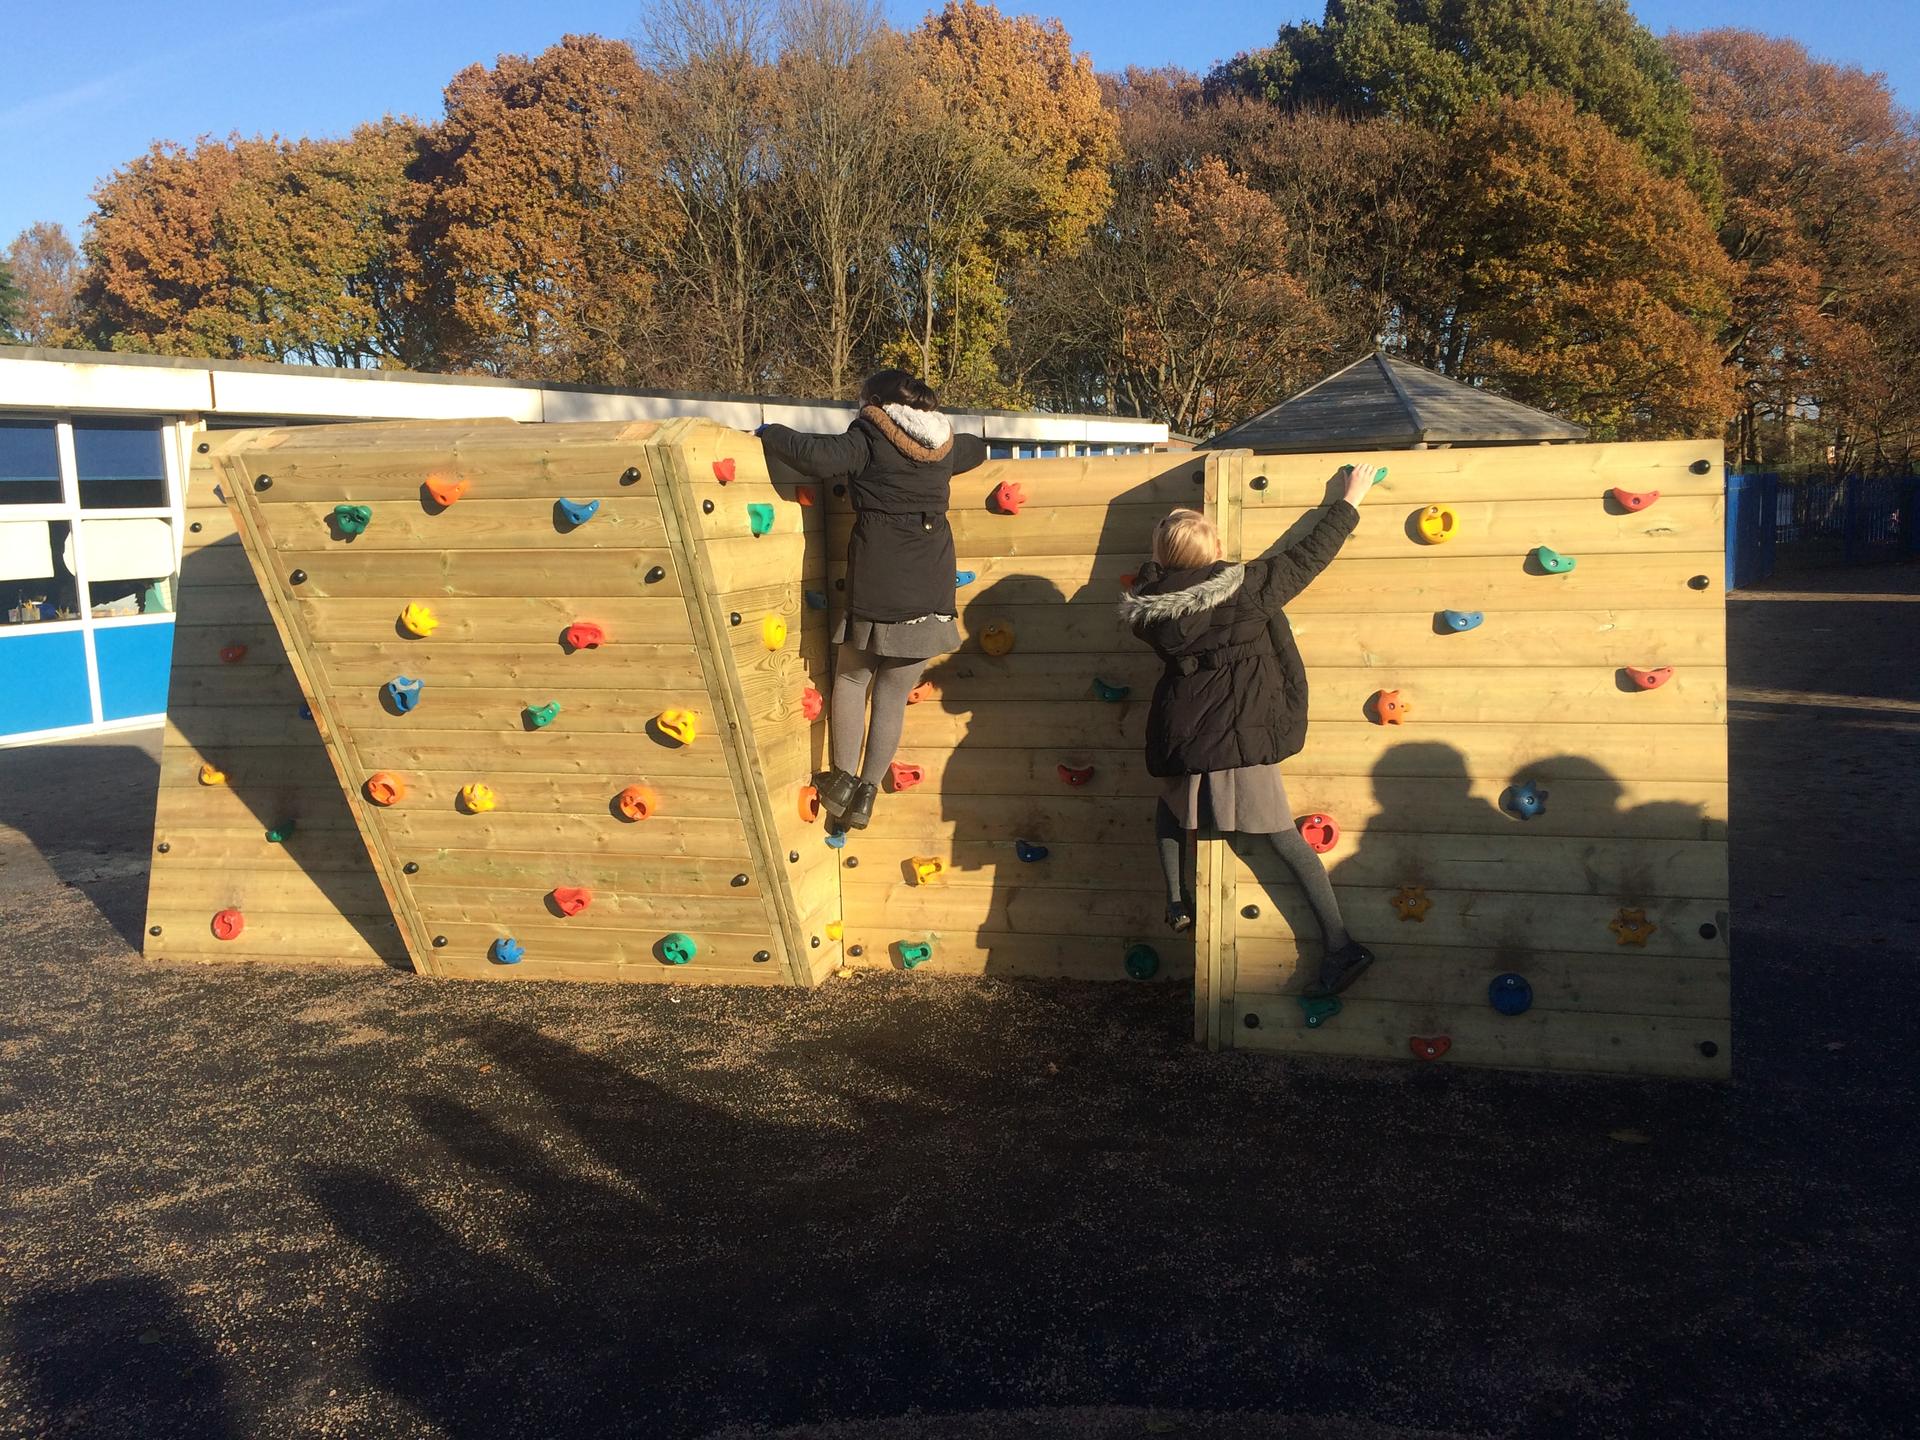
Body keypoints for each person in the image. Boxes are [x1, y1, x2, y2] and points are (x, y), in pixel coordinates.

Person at [1117, 465, 1380, 997]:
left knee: (1170, 810)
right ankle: (1340, 944)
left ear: (1164, 557)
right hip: (1241, 730)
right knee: (1284, 838)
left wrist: (1166, 561)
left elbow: (1150, 580)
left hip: (1185, 732)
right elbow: (1311, 553)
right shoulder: (1250, 587)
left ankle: (1176, 900)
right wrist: (1350, 499)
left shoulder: (1147, 613)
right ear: (1214, 553)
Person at [757, 370, 986, 830]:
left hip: (882, 577)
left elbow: (815, 457)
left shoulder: (869, 435)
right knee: (893, 696)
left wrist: (769, 431)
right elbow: (978, 449)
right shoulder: (945, 444)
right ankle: (865, 795)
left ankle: (841, 780)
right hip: (932, 579)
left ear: (875, 404)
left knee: (852, 679)